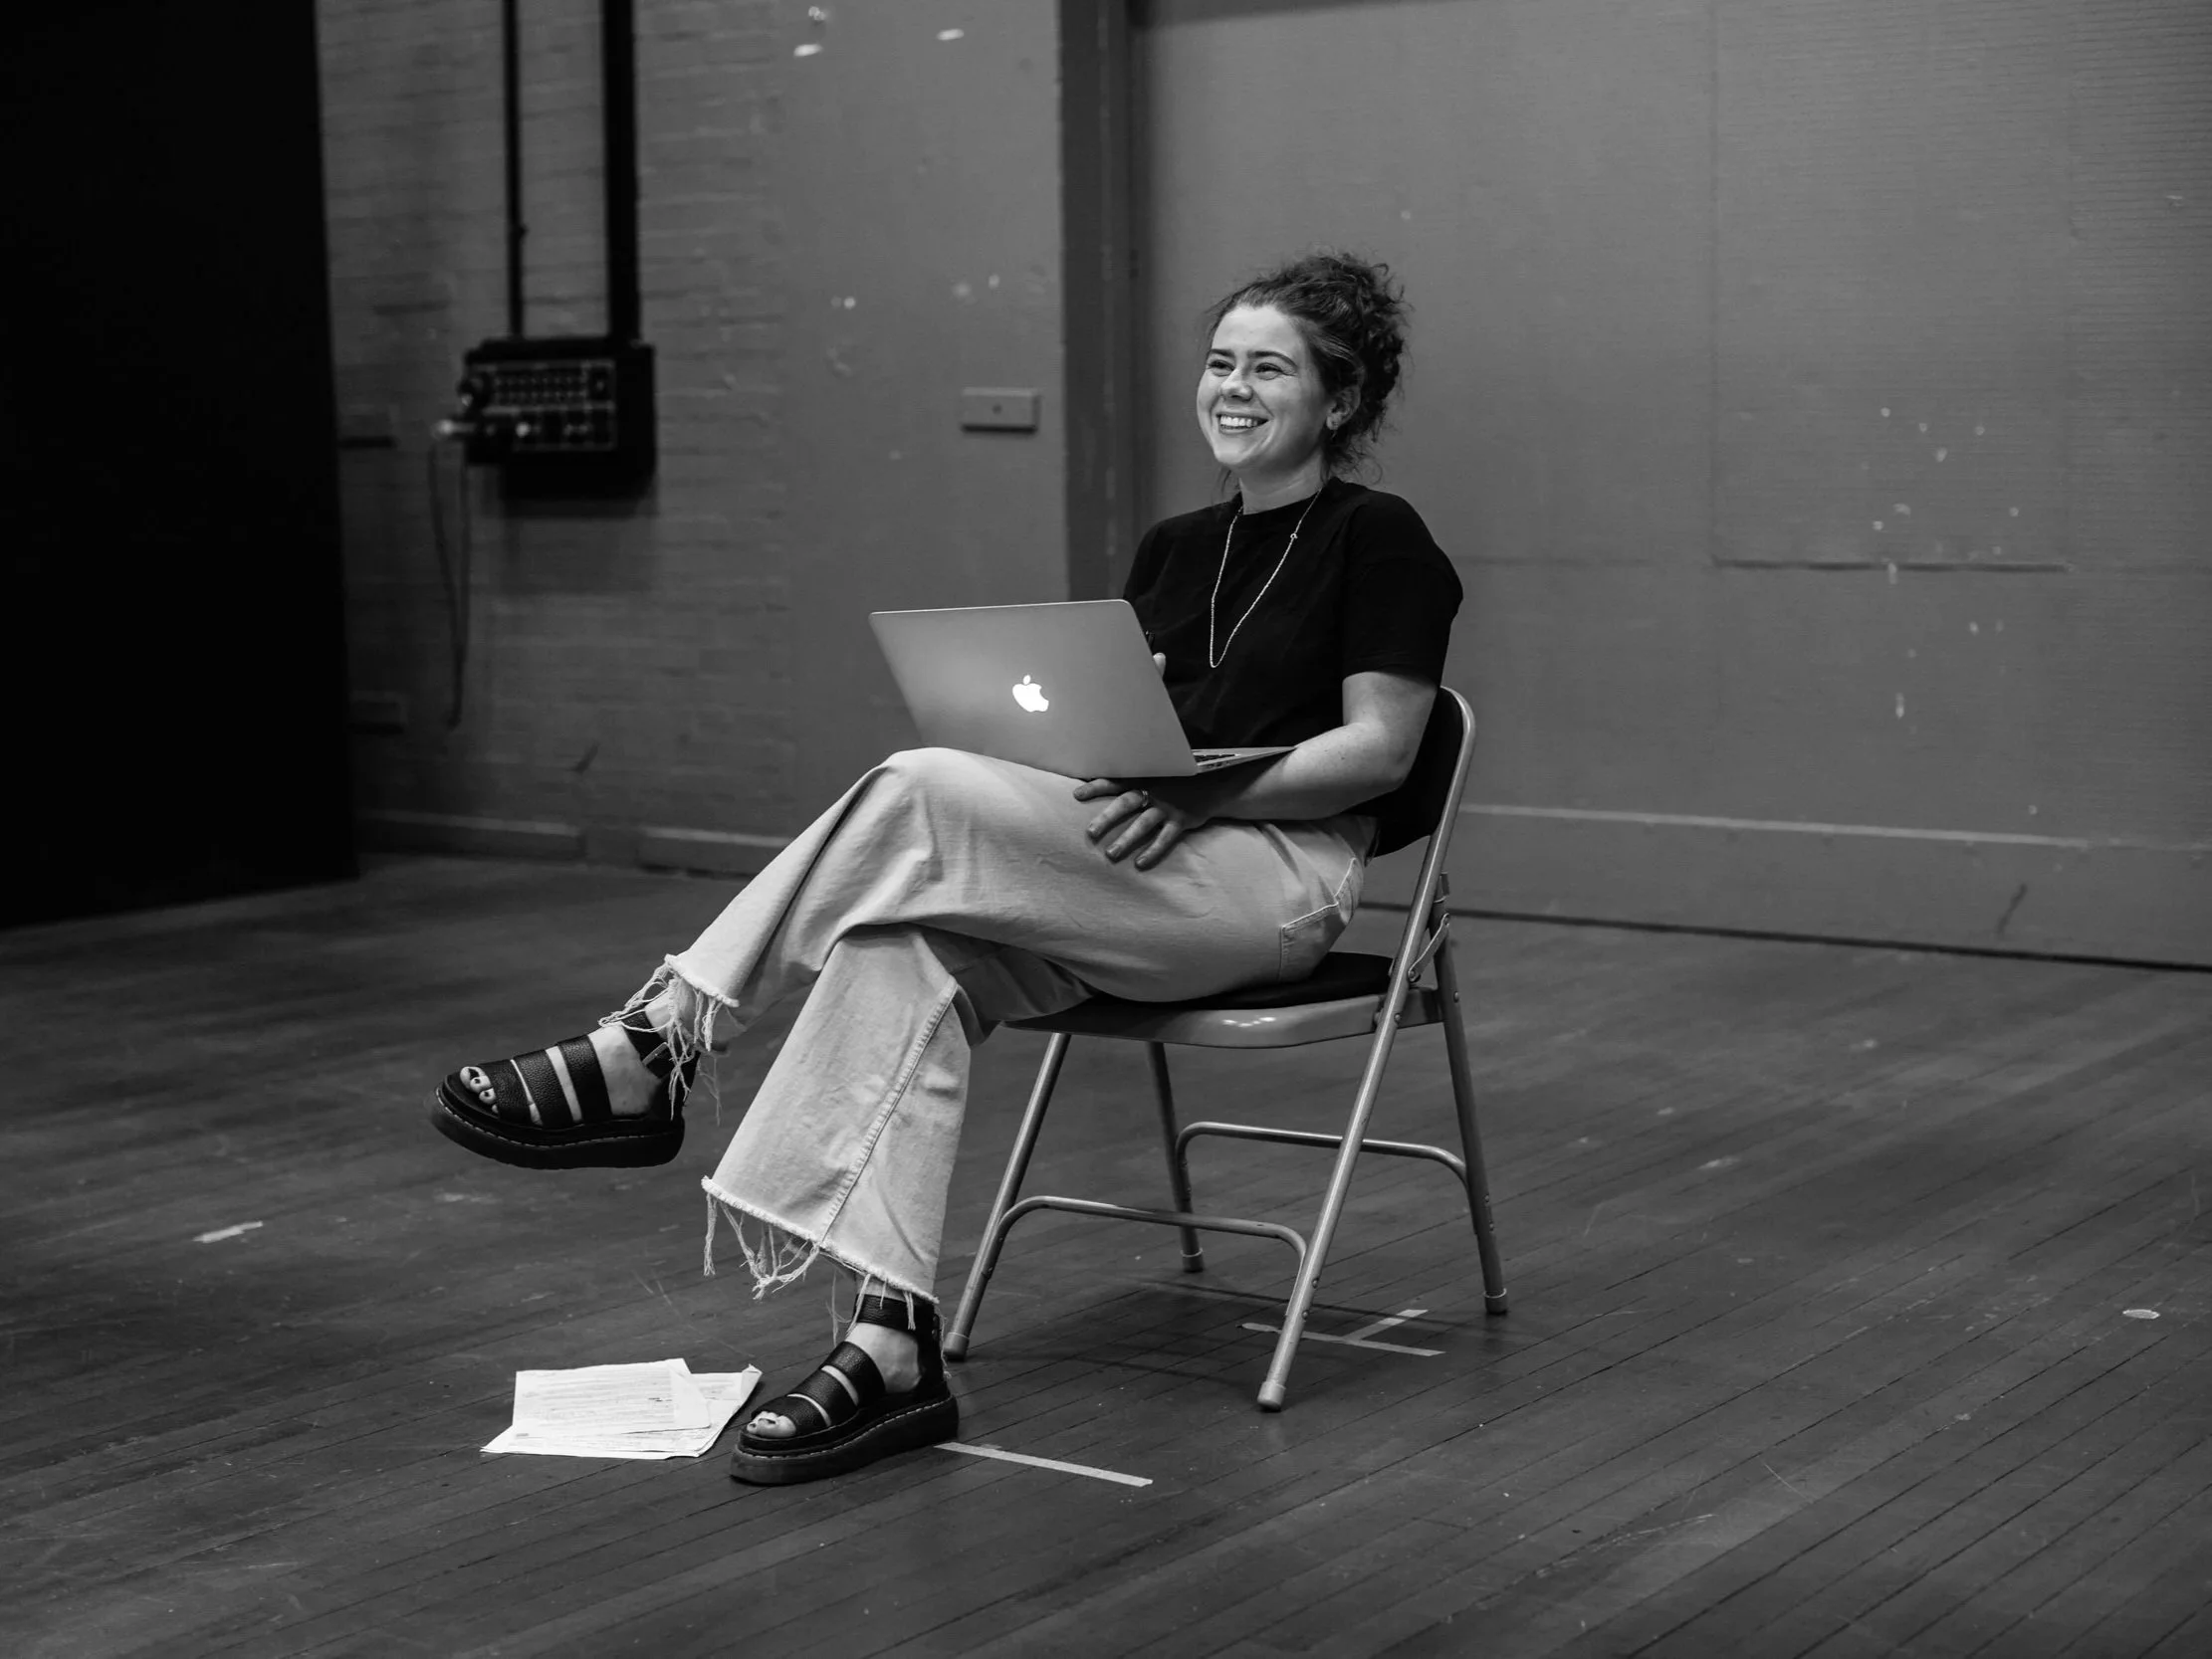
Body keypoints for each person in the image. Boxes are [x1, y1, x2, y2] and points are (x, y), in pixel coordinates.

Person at [428, 250, 1462, 1485]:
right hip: (1134, 869)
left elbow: (1379, 749)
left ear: (1337, 403)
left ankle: (655, 1043)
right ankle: (891, 1341)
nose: (1232, 387)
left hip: (1274, 882)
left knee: (916, 783)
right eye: (1219, 362)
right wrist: (1057, 759)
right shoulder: (1179, 547)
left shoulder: (1376, 535)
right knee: (893, 951)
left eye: (1269, 369)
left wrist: (1204, 790)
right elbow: (1126, 738)